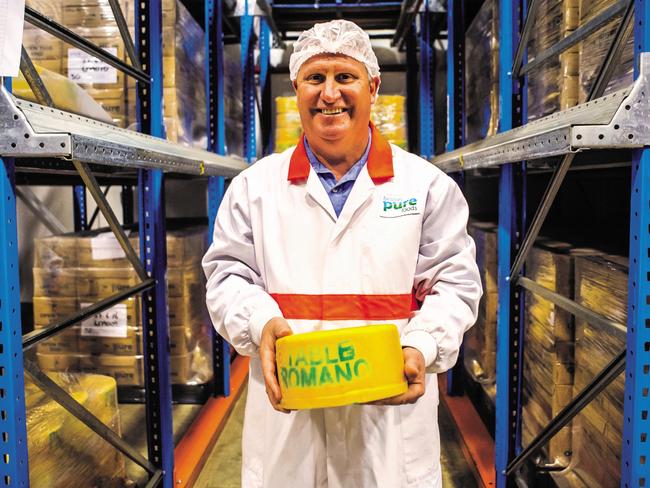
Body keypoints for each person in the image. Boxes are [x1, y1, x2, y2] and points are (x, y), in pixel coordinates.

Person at [202, 19, 482, 488]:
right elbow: (227, 277)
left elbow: (455, 284)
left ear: (372, 87)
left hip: (388, 431)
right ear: (296, 89)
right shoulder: (254, 188)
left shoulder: (425, 186)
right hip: (289, 428)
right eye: (315, 78)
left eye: (344, 77)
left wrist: (423, 344)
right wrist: (259, 322)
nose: (329, 93)